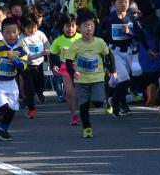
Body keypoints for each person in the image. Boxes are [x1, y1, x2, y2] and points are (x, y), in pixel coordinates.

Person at [65, 10, 116, 138]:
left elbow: (109, 54)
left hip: (97, 78)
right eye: (85, 26)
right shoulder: (75, 45)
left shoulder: (99, 42)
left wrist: (113, 70)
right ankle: (87, 129)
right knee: (83, 106)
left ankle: (104, 100)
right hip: (81, 80)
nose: (89, 29)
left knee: (98, 102)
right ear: (79, 28)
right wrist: (73, 72)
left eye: (91, 26)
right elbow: (68, 61)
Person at [49, 14, 82, 125]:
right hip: (65, 68)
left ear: (76, 26)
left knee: (81, 93)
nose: (70, 29)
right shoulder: (58, 41)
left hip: (80, 67)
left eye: (73, 26)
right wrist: (53, 65)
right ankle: (74, 116)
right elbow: (52, 54)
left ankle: (84, 112)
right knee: (69, 94)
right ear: (62, 27)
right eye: (67, 26)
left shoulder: (81, 38)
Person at [20, 13, 50, 118]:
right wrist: (41, 53)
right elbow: (27, 56)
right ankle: (31, 109)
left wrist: (47, 51)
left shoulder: (40, 34)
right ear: (23, 27)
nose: (32, 30)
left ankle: (40, 93)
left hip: (40, 65)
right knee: (30, 88)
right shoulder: (22, 39)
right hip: (27, 66)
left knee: (41, 86)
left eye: (34, 27)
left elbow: (47, 44)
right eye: (29, 27)